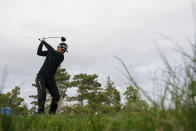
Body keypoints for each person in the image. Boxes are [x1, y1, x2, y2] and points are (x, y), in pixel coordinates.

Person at [35, 38, 68, 114]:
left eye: (64, 51)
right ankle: (41, 113)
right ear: (59, 47)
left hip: (50, 80)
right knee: (42, 93)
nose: (63, 52)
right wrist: (41, 44)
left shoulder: (60, 57)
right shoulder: (51, 52)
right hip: (41, 77)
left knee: (56, 96)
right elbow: (39, 52)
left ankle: (52, 113)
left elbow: (52, 50)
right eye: (62, 49)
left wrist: (43, 41)